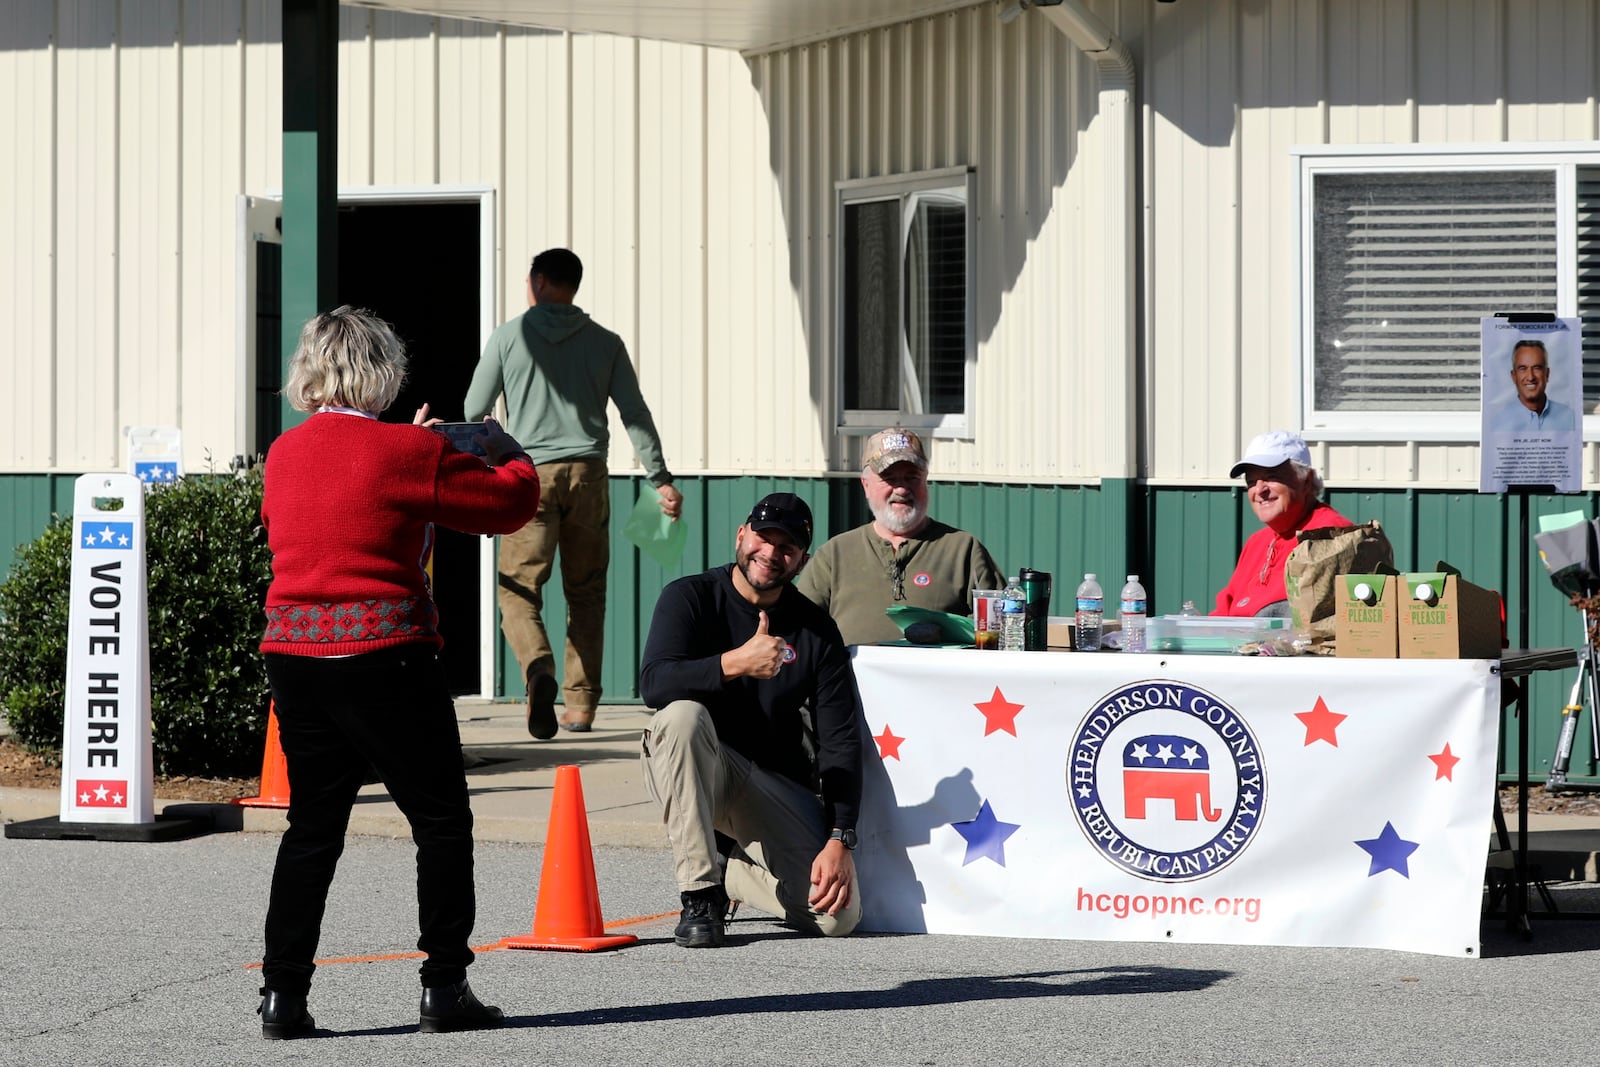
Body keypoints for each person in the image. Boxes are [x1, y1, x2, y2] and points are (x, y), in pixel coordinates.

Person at [256, 306, 539, 1039]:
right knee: (440, 820)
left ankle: (283, 995)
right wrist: (487, 442)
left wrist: (412, 446)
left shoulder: (283, 453)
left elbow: (336, 499)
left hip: (293, 654)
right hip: (386, 652)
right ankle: (444, 986)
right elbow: (511, 500)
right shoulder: (406, 452)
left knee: (312, 827)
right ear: (380, 371)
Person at [464, 247, 683, 738]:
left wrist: (486, 463)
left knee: (518, 589)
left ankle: (538, 667)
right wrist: (660, 478)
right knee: (586, 593)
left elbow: (475, 405)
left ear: (538, 281)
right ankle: (581, 707)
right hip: (589, 474)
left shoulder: (507, 338)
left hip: (528, 475)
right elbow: (635, 414)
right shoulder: (606, 343)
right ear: (574, 285)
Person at [638, 492, 864, 949]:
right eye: (764, 538)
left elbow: (839, 740)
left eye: (787, 547)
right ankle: (700, 895)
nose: (771, 553)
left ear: (801, 561)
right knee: (681, 716)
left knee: (838, 918)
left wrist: (840, 838)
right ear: (742, 536)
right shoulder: (690, 596)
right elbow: (655, 685)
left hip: (770, 785)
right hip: (699, 772)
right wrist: (733, 663)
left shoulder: (815, 629)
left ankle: (732, 874)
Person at [796, 427, 1003, 645]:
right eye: (889, 478)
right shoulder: (834, 555)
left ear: (925, 480)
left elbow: (1001, 628)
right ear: (866, 485)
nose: (902, 489)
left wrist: (947, 635)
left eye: (912, 477)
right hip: (850, 679)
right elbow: (799, 630)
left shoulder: (963, 550)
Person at [1214, 430, 1352, 618]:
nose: (1260, 490)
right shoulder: (1257, 542)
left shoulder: (1331, 535)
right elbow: (1223, 613)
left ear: (1306, 481)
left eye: (1271, 477)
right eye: (1252, 481)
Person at [1485, 338, 1578, 433]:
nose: (1530, 377)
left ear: (1547, 374)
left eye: (1537, 368)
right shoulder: (1498, 423)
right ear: (1514, 376)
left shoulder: (1569, 418)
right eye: (1523, 368)